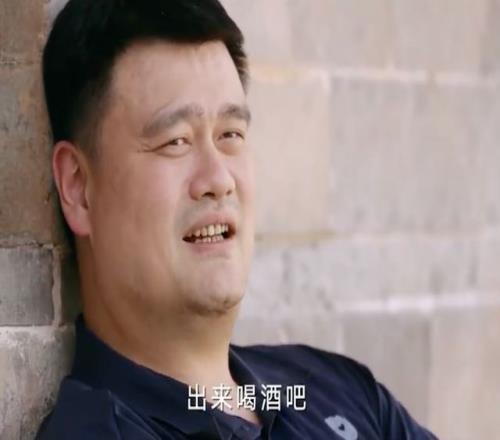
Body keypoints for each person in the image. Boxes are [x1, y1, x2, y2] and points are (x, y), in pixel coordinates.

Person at [35, 1, 438, 439]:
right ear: (78, 187)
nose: (219, 179)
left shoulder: (328, 389)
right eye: (175, 141)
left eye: (230, 134)